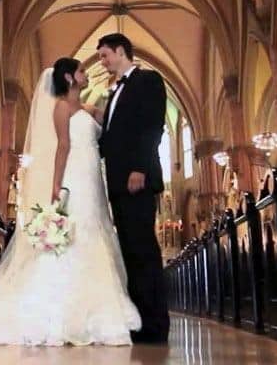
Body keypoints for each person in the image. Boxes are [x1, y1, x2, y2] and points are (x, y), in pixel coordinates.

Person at [0, 58, 140, 346]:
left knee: (95, 232)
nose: (86, 75)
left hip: (93, 177)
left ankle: (97, 311)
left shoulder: (87, 108)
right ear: (70, 78)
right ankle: (62, 314)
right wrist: (57, 185)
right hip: (74, 176)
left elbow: (108, 120)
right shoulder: (61, 107)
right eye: (82, 71)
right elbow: (63, 147)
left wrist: (115, 92)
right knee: (76, 235)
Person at [96, 33, 170, 344]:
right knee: (130, 253)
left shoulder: (147, 80)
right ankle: (140, 321)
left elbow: (153, 124)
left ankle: (155, 324)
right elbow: (112, 138)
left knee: (144, 251)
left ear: (121, 51)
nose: (103, 62)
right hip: (118, 184)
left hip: (136, 178)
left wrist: (140, 166)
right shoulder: (113, 92)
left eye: (104, 55)